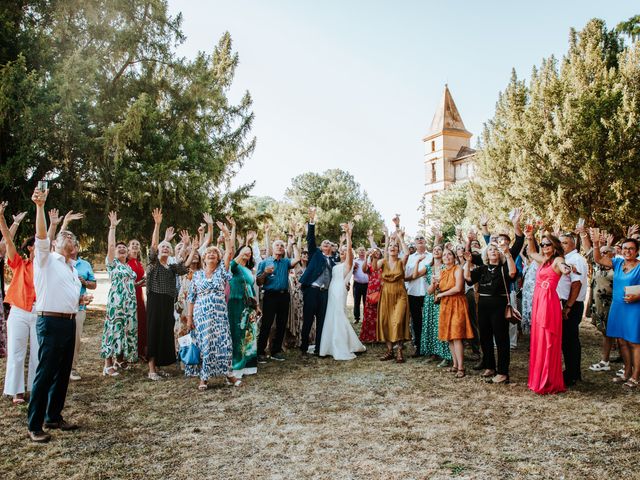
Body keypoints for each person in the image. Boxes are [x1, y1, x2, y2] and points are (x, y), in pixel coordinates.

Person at [27, 187, 82, 443]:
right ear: (56, 243)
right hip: (49, 322)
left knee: (62, 373)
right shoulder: (46, 260)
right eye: (64, 235)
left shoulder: (72, 269)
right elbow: (40, 236)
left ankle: (53, 416)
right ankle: (35, 424)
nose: (68, 238)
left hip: (69, 323)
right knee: (46, 372)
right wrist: (40, 207)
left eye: (72, 236)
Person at [185, 221, 240, 390]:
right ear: (204, 257)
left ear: (217, 258)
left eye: (214, 254)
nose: (211, 255)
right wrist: (189, 318)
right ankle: (204, 378)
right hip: (201, 314)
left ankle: (228, 374)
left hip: (219, 313)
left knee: (223, 342)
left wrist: (226, 231)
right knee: (205, 343)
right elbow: (191, 298)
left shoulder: (222, 272)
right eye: (208, 253)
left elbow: (230, 252)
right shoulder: (197, 275)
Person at [146, 208, 197, 380]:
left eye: (168, 246)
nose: (166, 248)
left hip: (168, 301)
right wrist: (157, 225)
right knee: (154, 332)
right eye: (163, 247)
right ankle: (151, 369)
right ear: (159, 250)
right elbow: (153, 247)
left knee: (164, 332)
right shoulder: (154, 264)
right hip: (155, 300)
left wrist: (192, 249)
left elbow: (185, 267)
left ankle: (158, 366)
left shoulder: (171, 267)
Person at [591, 231, 640, 388]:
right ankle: (626, 372)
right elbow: (597, 258)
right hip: (617, 306)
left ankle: (635, 376)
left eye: (631, 248)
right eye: (625, 248)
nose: (627, 251)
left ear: (637, 251)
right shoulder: (618, 263)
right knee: (621, 341)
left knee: (634, 342)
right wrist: (596, 244)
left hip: (634, 307)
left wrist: (637, 297)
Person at [463, 242, 516, 384]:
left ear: (499, 253)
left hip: (499, 306)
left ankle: (503, 372)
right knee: (485, 337)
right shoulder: (482, 269)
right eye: (490, 249)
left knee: (501, 339)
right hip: (483, 306)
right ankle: (490, 366)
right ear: (486, 254)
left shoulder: (504, 268)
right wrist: (468, 262)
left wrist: (508, 254)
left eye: (495, 250)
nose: (493, 251)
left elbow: (512, 273)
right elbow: (468, 279)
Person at [526, 229, 571, 395]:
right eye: (542, 244)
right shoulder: (542, 259)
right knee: (539, 339)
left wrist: (566, 268)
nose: (544, 246)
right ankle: (538, 377)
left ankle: (548, 380)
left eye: (547, 244)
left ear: (554, 246)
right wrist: (530, 237)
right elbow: (531, 252)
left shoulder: (557, 259)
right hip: (538, 300)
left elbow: (562, 265)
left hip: (548, 301)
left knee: (548, 340)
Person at [0, 203, 36, 405]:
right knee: (16, 351)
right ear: (30, 247)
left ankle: (34, 387)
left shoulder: (46, 266)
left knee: (38, 353)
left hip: (39, 311)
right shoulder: (20, 263)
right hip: (19, 311)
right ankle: (17, 391)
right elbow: (7, 240)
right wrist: (3, 219)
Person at [319, 222, 366, 360]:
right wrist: (341, 243)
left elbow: (349, 249)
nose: (343, 252)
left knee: (339, 314)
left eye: (345, 251)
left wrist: (348, 235)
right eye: (341, 251)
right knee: (332, 314)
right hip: (332, 289)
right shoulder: (336, 264)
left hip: (340, 290)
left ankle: (341, 345)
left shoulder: (348, 264)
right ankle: (329, 345)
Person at [101, 212, 138, 377]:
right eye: (119, 248)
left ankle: (120, 359)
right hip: (116, 302)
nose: (121, 249)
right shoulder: (112, 264)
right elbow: (110, 245)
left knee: (126, 330)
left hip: (130, 304)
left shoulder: (129, 267)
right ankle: (107, 364)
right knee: (113, 330)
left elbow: (130, 283)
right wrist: (113, 227)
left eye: (124, 248)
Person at [256, 233, 300, 362]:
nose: (280, 247)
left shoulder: (286, 262)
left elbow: (297, 259)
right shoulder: (265, 262)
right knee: (266, 324)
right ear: (273, 248)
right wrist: (265, 273)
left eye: (282, 245)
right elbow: (259, 282)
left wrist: (293, 243)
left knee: (282, 324)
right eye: (277, 245)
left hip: (284, 296)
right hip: (270, 296)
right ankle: (260, 352)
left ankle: (276, 351)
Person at [300, 207, 336, 356]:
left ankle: (318, 348)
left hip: (325, 293)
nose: (326, 244)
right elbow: (311, 238)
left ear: (332, 248)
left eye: (329, 243)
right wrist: (312, 220)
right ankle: (303, 347)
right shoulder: (315, 253)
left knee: (322, 321)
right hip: (312, 290)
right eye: (324, 243)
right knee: (308, 320)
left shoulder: (334, 261)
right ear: (321, 247)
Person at [578, 228, 615, 372]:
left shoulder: (617, 268)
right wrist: (584, 235)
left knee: (615, 335)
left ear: (613, 254)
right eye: (602, 251)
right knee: (606, 333)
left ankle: (614, 362)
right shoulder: (597, 266)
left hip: (613, 305)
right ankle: (606, 360)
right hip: (599, 306)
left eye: (606, 252)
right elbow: (589, 251)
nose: (603, 254)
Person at [436, 247, 474, 378]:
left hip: (457, 303)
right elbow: (433, 289)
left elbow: (458, 288)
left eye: (449, 255)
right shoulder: (441, 272)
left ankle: (462, 367)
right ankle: (455, 364)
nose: (446, 257)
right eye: (444, 255)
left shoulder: (458, 269)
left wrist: (441, 294)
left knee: (457, 335)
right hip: (446, 305)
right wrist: (435, 286)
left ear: (454, 257)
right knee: (450, 337)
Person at [557, 233, 588, 386]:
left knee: (570, 340)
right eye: (560, 242)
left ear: (573, 244)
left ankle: (573, 374)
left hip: (572, 304)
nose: (562, 245)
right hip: (566, 303)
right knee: (566, 340)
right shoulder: (566, 259)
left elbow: (577, 284)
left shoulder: (576, 259)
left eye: (565, 242)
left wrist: (568, 306)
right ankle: (570, 371)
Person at [412, 245, 452, 366]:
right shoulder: (428, 267)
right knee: (430, 325)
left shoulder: (446, 267)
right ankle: (433, 353)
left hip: (442, 297)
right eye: (434, 249)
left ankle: (446, 355)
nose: (436, 251)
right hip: (430, 299)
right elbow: (414, 276)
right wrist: (418, 261)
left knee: (442, 326)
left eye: (439, 249)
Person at [377, 225, 411, 363]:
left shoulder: (401, 261)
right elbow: (373, 266)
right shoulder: (383, 262)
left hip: (400, 294)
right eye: (390, 246)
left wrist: (401, 238)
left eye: (395, 246)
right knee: (386, 321)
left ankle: (399, 351)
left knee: (398, 321)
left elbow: (407, 253)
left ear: (398, 250)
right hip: (386, 294)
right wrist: (386, 239)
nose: (393, 247)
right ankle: (390, 351)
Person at [229, 245, 260, 378]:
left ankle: (249, 365)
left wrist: (257, 306)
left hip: (249, 305)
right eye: (244, 251)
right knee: (237, 333)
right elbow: (231, 267)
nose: (248, 253)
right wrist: (240, 255)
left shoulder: (248, 270)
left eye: (250, 252)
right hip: (236, 302)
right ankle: (236, 367)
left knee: (249, 334)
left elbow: (251, 288)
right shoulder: (234, 266)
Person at [69, 239, 96, 380]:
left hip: (79, 307)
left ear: (78, 248)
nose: (72, 247)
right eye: (70, 244)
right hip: (61, 307)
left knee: (76, 339)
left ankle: (71, 369)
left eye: (75, 245)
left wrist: (84, 282)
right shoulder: (61, 262)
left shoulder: (85, 264)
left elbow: (94, 284)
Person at [404, 233, 432, 357]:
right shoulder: (409, 258)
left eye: (422, 238)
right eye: (417, 238)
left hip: (429, 292)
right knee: (416, 321)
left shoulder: (431, 256)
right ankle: (419, 347)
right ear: (414, 243)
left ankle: (431, 347)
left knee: (430, 320)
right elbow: (404, 276)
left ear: (425, 242)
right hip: (413, 292)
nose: (420, 240)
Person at [127, 239, 147, 361]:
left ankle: (140, 351)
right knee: (131, 322)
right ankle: (130, 351)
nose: (135, 246)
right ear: (128, 247)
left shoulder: (139, 263)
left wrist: (144, 283)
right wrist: (138, 283)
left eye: (137, 244)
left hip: (139, 294)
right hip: (129, 294)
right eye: (132, 244)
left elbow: (140, 281)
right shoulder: (126, 262)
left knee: (141, 322)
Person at [360, 246, 382, 343]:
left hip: (382, 289)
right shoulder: (369, 265)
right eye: (374, 252)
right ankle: (369, 337)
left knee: (381, 312)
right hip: (371, 290)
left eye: (378, 252)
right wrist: (366, 256)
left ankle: (380, 336)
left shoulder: (383, 264)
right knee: (370, 312)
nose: (376, 253)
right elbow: (363, 270)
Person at [352, 247, 369, 324]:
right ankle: (356, 318)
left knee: (366, 302)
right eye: (360, 250)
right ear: (357, 252)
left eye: (363, 250)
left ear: (365, 252)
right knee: (356, 302)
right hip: (357, 284)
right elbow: (350, 272)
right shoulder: (354, 261)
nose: (362, 251)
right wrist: (353, 268)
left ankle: (366, 318)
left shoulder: (369, 261)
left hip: (367, 285)